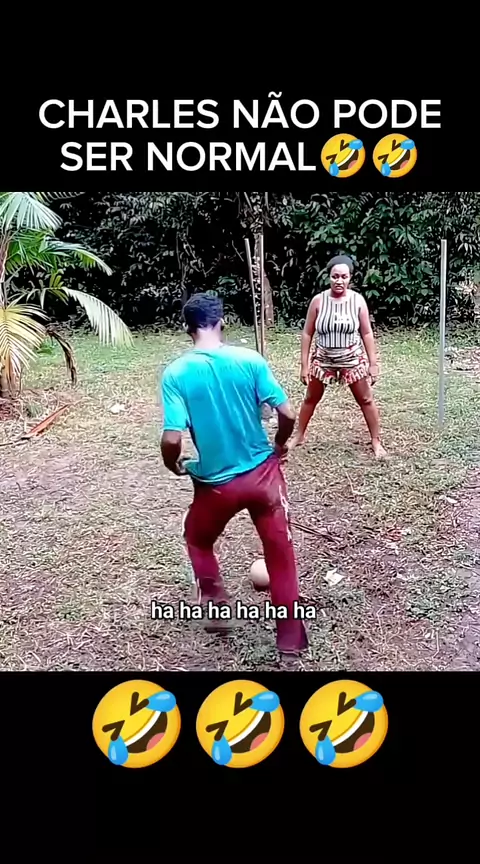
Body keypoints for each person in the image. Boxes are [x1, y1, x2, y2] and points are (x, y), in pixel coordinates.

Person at [160, 293, 308, 657]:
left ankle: (216, 610)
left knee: (197, 539)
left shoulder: (176, 373)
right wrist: (279, 444)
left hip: (216, 486)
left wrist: (173, 463)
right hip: (264, 478)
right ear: (222, 322)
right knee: (280, 554)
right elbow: (288, 413)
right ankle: (290, 644)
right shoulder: (250, 360)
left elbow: (172, 438)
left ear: (187, 328)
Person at [290, 254, 387, 458]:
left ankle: (376, 441)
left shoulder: (357, 301)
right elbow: (307, 333)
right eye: (335, 276)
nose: (339, 281)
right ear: (329, 277)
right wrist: (304, 365)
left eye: (344, 276)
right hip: (323, 359)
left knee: (366, 399)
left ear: (350, 277)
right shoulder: (318, 301)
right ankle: (299, 435)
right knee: (310, 398)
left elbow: (366, 333)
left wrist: (373, 363)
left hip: (352, 358)